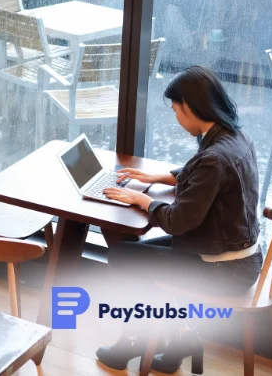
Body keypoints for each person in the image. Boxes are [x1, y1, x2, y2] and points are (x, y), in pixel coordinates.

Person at [95, 66, 262, 373]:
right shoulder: (235, 136)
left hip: (225, 269)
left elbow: (176, 222)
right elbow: (204, 175)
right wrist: (161, 177)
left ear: (189, 106)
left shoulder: (214, 157)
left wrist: (142, 198)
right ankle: (180, 336)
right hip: (230, 253)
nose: (176, 117)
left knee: (122, 256)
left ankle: (134, 340)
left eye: (175, 109)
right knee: (135, 254)